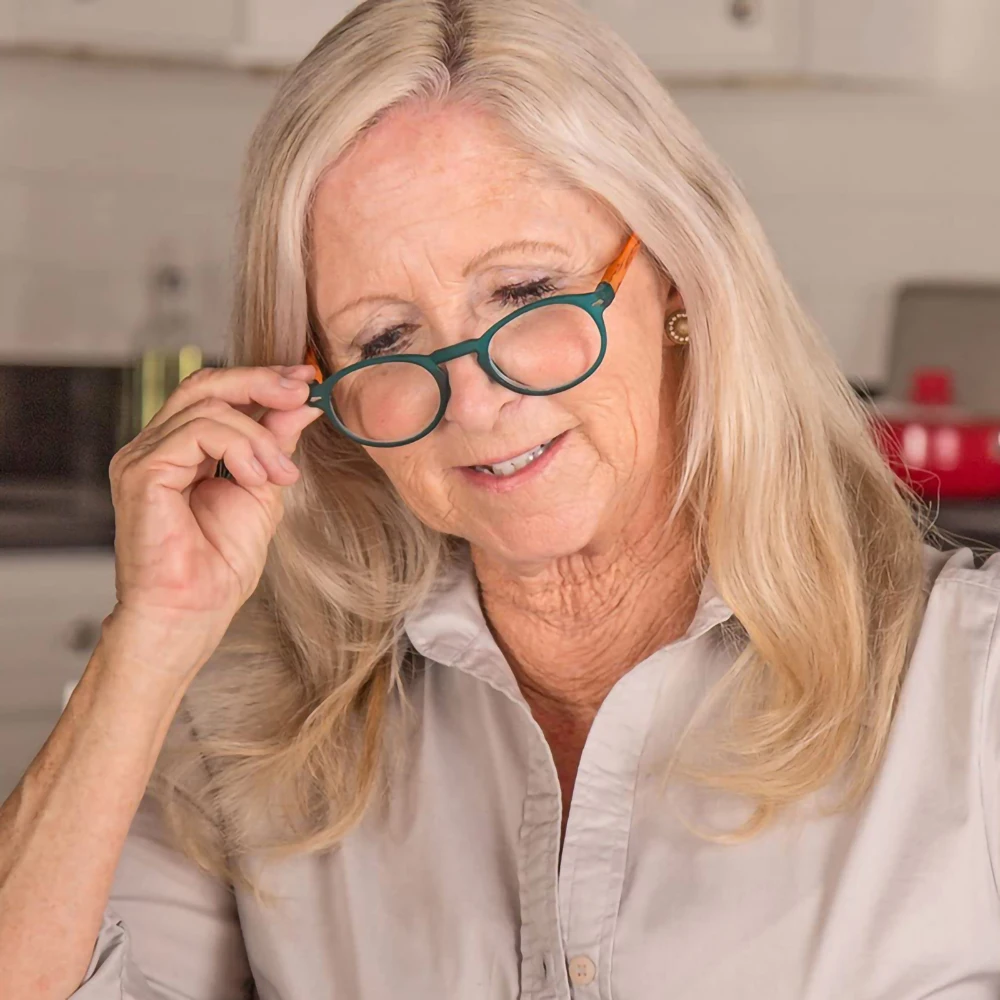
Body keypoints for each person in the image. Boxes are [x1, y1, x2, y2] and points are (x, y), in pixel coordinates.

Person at [2, 0, 999, 996]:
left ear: (678, 274)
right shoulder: (243, 723)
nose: (474, 398)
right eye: (386, 338)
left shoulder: (969, 685)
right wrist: (149, 642)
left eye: (525, 293)